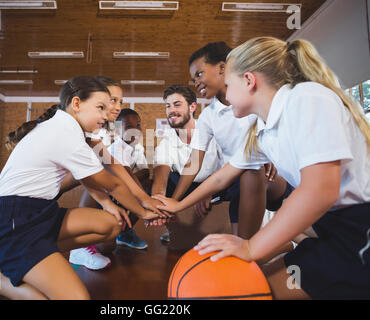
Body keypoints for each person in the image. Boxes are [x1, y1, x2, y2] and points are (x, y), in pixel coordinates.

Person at [154, 37, 370, 299]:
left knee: (263, 290)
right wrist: (177, 205)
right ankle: (297, 240)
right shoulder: (263, 130)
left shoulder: (306, 97)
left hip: (359, 226)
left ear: (249, 80)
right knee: (258, 284)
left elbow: (320, 190)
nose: (226, 93)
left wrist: (250, 246)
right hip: (330, 222)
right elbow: (223, 176)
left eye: (229, 84)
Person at [0, 76, 166, 300]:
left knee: (111, 225)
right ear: (76, 103)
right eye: (101, 107)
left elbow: (98, 173)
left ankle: (19, 261)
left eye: (112, 106)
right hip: (13, 223)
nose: (106, 115)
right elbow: (112, 181)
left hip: (39, 212)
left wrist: (110, 203)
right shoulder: (65, 134)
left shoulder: (70, 128)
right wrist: (143, 211)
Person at [171, 41, 291, 239]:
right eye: (193, 79)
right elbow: (194, 161)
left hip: (267, 179)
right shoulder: (208, 116)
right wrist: (175, 202)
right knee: (243, 175)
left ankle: (248, 245)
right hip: (231, 181)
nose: (196, 82)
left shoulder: (256, 102)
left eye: (199, 74)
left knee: (252, 170)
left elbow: (274, 145)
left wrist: (271, 160)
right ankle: (247, 245)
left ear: (222, 68)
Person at [69, 77, 164, 270]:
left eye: (120, 101)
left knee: (110, 239)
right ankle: (79, 245)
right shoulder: (78, 133)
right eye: (112, 100)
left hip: (41, 206)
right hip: (25, 206)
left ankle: (90, 240)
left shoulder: (93, 138)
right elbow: (114, 181)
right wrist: (143, 210)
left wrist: (144, 202)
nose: (117, 106)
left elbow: (118, 171)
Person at [152, 84, 223, 243]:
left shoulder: (212, 129)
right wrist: (157, 206)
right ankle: (170, 224)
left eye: (177, 104)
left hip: (217, 184)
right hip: (185, 188)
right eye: (168, 106)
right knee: (169, 177)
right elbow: (160, 180)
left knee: (242, 175)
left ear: (192, 107)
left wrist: (206, 191)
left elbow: (230, 166)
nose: (171, 110)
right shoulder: (166, 142)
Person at [107, 108, 151, 250]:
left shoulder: (137, 147)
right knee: (105, 247)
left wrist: (128, 180)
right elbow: (126, 174)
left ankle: (125, 232)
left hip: (121, 187)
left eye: (138, 125)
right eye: (129, 128)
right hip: (106, 193)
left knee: (149, 184)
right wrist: (128, 181)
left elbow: (145, 172)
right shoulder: (116, 149)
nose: (136, 130)